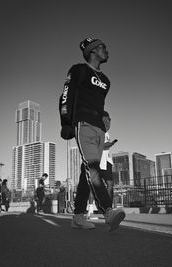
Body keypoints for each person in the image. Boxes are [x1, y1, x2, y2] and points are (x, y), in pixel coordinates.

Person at [60, 37, 125, 230]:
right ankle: (108, 211)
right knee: (93, 168)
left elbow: (99, 104)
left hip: (98, 128)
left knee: (86, 172)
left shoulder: (106, 81)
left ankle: (78, 217)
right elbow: (66, 95)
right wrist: (65, 122)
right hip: (84, 124)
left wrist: (105, 116)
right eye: (103, 47)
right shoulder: (78, 70)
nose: (106, 50)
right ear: (93, 51)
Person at [100, 111, 116, 204]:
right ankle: (90, 208)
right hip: (98, 161)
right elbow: (99, 145)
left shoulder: (107, 133)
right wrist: (107, 145)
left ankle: (108, 206)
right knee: (94, 185)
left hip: (107, 161)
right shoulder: (97, 131)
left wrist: (109, 144)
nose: (108, 121)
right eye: (106, 119)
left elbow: (105, 146)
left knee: (110, 184)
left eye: (109, 119)